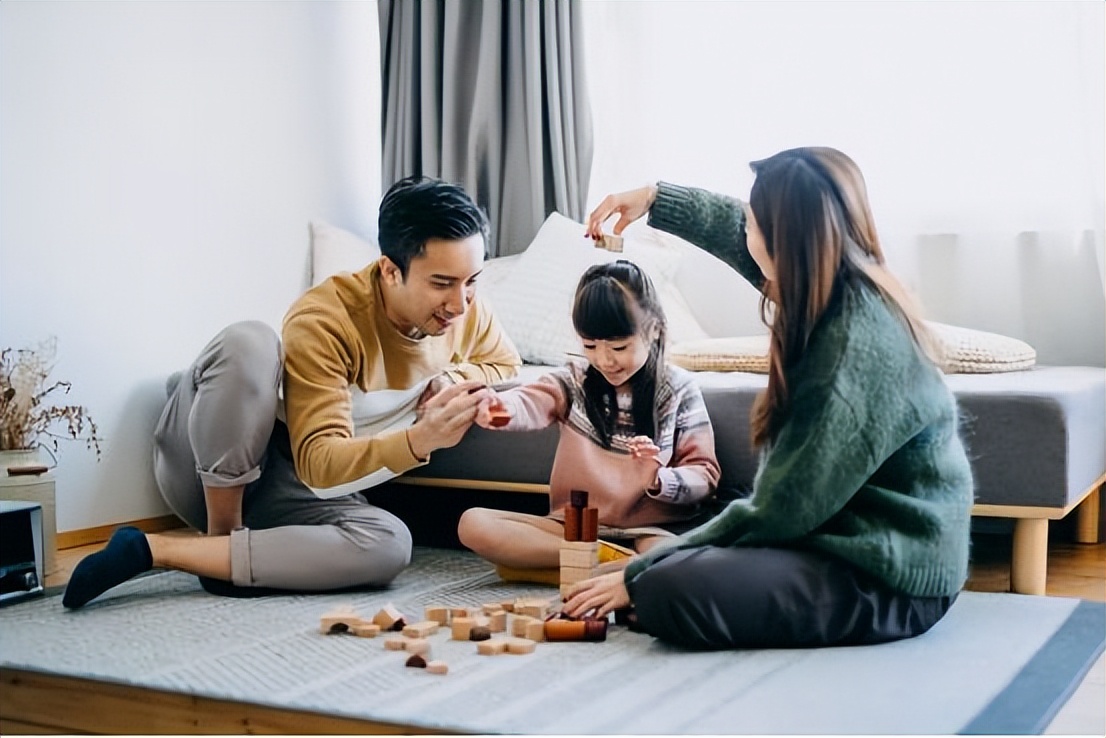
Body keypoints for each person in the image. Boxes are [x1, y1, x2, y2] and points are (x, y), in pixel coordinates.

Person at [562, 147, 974, 650]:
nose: (743, 231)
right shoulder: (833, 280)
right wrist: (654, 198)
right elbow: (732, 230)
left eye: (753, 223)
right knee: (669, 572)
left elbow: (783, 508)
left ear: (786, 242)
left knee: (662, 586)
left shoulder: (848, 345)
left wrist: (639, 573)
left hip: (891, 577)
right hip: (844, 539)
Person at [63, 176, 521, 609]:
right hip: (213, 466)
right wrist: (419, 440)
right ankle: (222, 535)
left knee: (390, 544)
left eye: (471, 281)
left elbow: (505, 364)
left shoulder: (467, 311)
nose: (460, 303)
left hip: (294, 494)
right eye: (442, 283)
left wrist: (453, 379)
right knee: (251, 342)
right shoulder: (327, 319)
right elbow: (319, 462)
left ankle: (163, 551)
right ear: (389, 270)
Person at [458, 259, 721, 580]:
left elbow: (705, 476)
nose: (604, 360)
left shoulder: (678, 389)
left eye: (620, 347)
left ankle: (572, 570)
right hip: (572, 529)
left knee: (673, 557)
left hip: (649, 532)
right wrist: (499, 405)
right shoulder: (574, 381)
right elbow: (530, 401)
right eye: (590, 346)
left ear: (654, 330)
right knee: (473, 524)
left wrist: (658, 480)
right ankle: (614, 566)